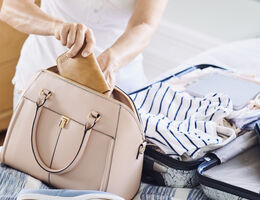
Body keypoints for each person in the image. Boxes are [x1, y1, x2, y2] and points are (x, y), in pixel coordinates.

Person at [0, 0, 168, 107]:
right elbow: (11, 7)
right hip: (40, 82)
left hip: (117, 91)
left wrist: (112, 59)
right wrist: (56, 27)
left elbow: (145, 23)